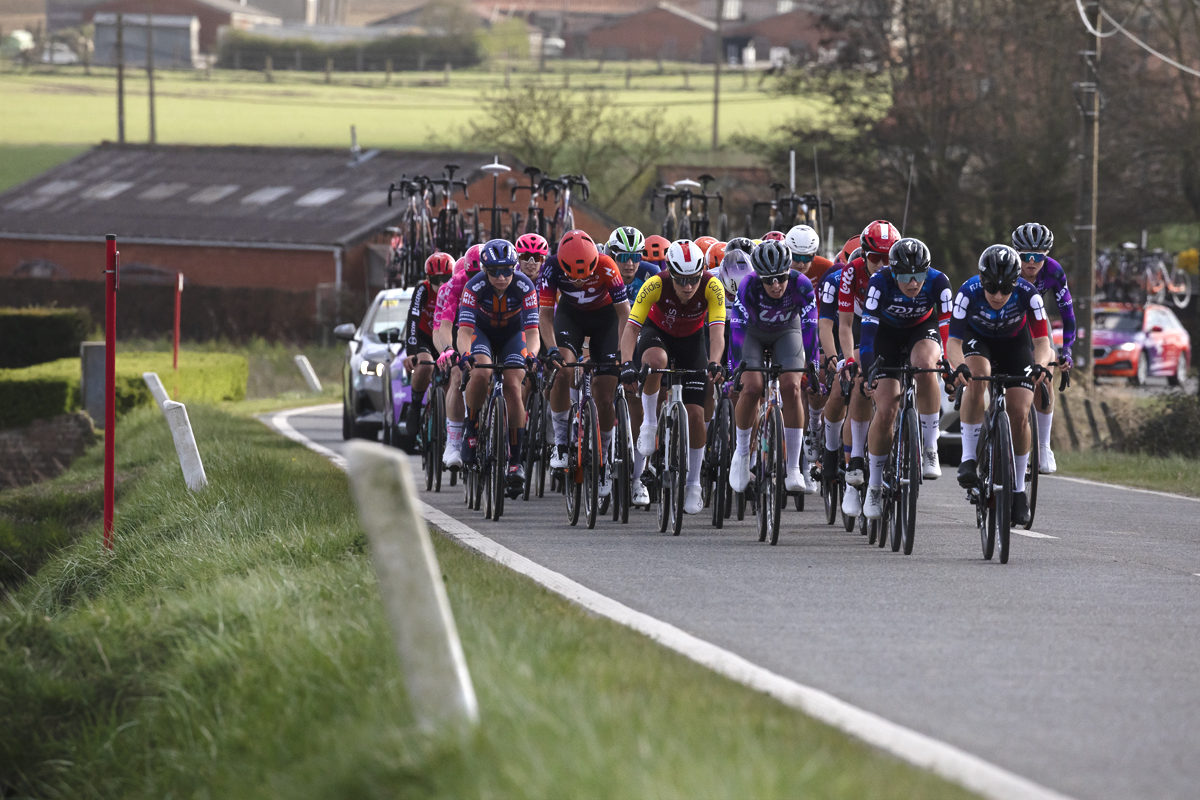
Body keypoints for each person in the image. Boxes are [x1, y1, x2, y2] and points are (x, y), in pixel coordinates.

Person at [947, 244, 1054, 526]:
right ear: (982, 280)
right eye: (992, 287)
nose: (998, 295)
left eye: (1006, 289)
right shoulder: (967, 292)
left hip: (1014, 344)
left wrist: (1041, 364)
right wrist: (958, 366)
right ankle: (968, 458)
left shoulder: (1029, 295)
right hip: (976, 339)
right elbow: (953, 343)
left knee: (1020, 413)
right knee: (977, 375)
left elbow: (1043, 343)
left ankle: (1018, 490)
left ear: (1016, 283)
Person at [620, 239, 726, 515]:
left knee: (694, 413)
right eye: (681, 279)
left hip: (692, 342)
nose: (688, 286)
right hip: (658, 334)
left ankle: (693, 485)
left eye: (693, 279)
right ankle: (650, 425)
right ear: (670, 272)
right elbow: (631, 328)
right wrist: (627, 364)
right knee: (656, 362)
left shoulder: (712, 286)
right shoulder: (655, 283)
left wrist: (714, 362)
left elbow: (716, 332)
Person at [858, 238, 953, 519]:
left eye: (919, 275)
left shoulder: (939, 282)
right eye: (905, 276)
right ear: (893, 271)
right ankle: (874, 485)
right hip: (885, 335)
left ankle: (930, 447)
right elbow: (867, 336)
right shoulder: (879, 281)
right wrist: (868, 372)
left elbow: (948, 328)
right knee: (886, 410)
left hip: (922, 328)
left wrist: (946, 365)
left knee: (924, 365)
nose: (913, 283)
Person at [538, 230, 631, 502]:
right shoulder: (551, 267)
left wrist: (621, 354)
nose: (579, 281)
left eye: (585, 275)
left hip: (606, 321)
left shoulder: (607, 265)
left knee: (604, 392)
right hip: (570, 318)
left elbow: (625, 314)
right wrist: (552, 348)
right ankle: (561, 443)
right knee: (562, 369)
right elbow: (544, 316)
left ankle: (604, 458)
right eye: (573, 276)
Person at [727, 239, 819, 494]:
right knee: (752, 388)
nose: (776, 285)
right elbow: (735, 333)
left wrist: (812, 368)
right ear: (759, 277)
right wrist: (735, 372)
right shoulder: (748, 286)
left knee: (792, 386)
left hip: (786, 332)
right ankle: (743, 453)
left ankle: (793, 469)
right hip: (752, 335)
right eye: (769, 280)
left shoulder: (802, 284)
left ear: (788, 271)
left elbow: (811, 329)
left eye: (780, 277)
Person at [457, 240, 541, 492]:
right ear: (484, 269)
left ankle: (515, 462)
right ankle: (471, 429)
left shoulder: (525, 286)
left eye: (507, 270)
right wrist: (464, 354)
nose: (502, 277)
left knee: (514, 387)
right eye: (494, 271)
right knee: (481, 373)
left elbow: (533, 333)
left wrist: (533, 355)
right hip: (481, 333)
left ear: (515, 267)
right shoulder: (474, 287)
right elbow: (464, 331)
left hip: (513, 336)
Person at [837, 220, 900, 514]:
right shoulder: (851, 271)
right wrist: (850, 358)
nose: (883, 264)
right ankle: (855, 463)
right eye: (876, 258)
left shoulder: (900, 272)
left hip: (895, 327)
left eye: (889, 258)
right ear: (864, 254)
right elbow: (846, 323)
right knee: (862, 381)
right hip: (864, 326)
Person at [1011, 222, 1074, 474]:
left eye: (1037, 256)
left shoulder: (1053, 271)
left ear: (1045, 255)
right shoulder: (1007, 266)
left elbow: (1067, 314)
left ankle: (1044, 446)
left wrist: (1066, 350)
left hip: (1037, 321)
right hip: (1008, 321)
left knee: (1045, 372)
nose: (1031, 262)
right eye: (1025, 256)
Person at [435, 244, 483, 467]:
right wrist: (448, 350)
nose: (477, 280)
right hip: (458, 328)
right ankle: (453, 442)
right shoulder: (454, 284)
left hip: (486, 329)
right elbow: (443, 327)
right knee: (456, 372)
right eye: (473, 275)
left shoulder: (503, 280)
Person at [404, 251, 454, 439]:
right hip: (424, 336)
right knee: (424, 365)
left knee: (452, 378)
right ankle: (416, 405)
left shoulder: (456, 288)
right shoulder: (422, 290)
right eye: (436, 279)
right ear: (428, 279)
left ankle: (451, 427)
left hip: (445, 337)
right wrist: (410, 353)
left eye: (446, 278)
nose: (441, 284)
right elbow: (413, 318)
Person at [609, 226, 656, 298]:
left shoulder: (652, 273)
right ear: (612, 256)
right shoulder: (603, 274)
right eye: (623, 257)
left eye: (635, 257)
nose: (630, 263)